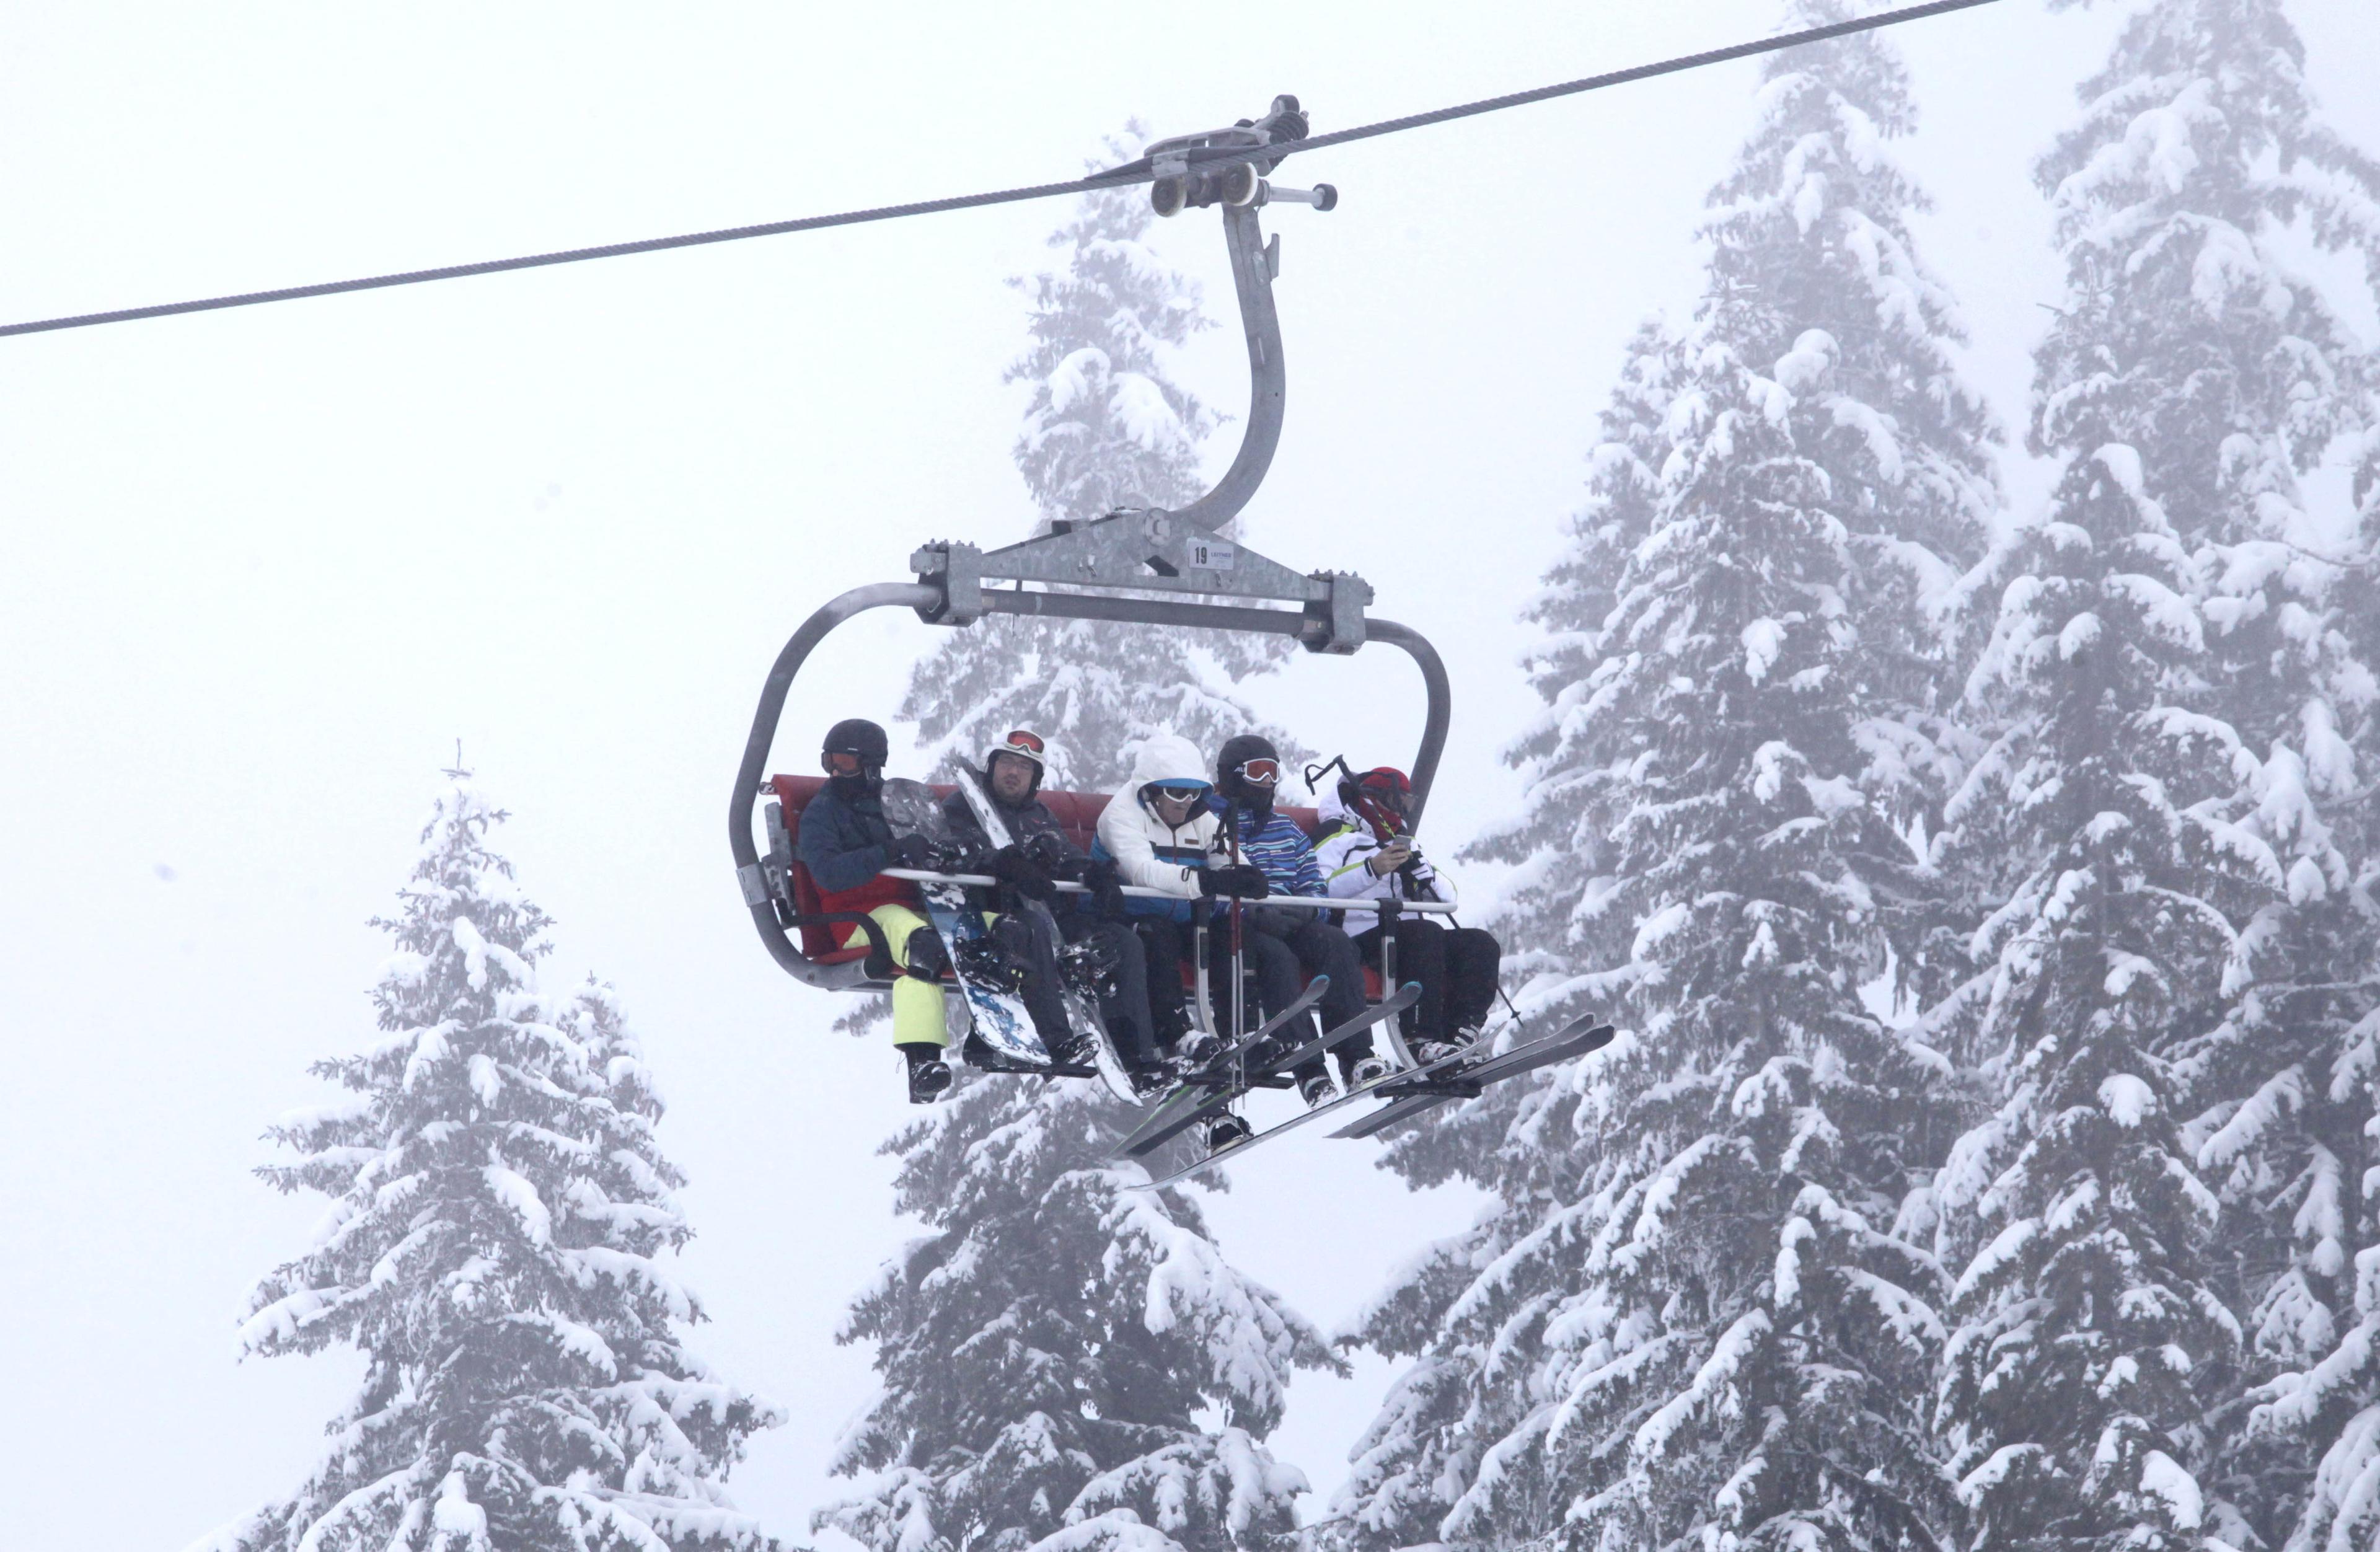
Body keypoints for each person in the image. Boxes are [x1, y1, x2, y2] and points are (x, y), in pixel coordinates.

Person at [940, 728, 1161, 1085]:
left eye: (1024, 768)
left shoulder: (1038, 815)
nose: (1014, 773)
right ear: (992, 766)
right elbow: (954, 852)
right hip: (990, 913)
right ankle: (1055, 1039)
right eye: (1007, 763)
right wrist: (1001, 863)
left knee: (1122, 941)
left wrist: (1094, 873)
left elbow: (1064, 854)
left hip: (1048, 914)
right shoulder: (963, 805)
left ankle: (1135, 1052)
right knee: (1032, 930)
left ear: (1035, 779)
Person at [1208, 733, 1391, 1108]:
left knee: (1338, 944)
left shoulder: (1287, 830)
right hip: (1244, 926)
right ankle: (1309, 1068)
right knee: (1278, 958)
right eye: (1258, 773)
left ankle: (1356, 1056)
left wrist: (1309, 909)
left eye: (1273, 773)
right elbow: (1205, 889)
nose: (1267, 784)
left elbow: (1315, 885)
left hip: (1293, 919)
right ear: (1233, 776)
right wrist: (1250, 912)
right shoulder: (1211, 828)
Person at [793, 718, 953, 1104]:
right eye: (829, 762)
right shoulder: (823, 813)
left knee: (990, 934)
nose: (835, 772)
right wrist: (891, 852)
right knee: (923, 947)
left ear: (871, 764)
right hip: (857, 919)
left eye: (844, 763)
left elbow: (936, 846)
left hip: (914, 909)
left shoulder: (896, 803)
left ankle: (994, 1038)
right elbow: (829, 874)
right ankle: (922, 1064)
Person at [1091, 733, 1269, 1067]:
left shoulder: (1199, 816)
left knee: (1231, 931)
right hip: (1127, 917)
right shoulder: (1122, 814)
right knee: (1157, 935)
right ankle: (1176, 1032)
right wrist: (1205, 881)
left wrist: (1243, 875)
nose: (1185, 801)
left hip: (1185, 918)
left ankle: (1240, 1029)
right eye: (1176, 792)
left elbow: (1228, 858)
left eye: (1194, 792)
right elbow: (1141, 871)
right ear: (1151, 790)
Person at [1316, 763, 1503, 1064]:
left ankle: (1460, 1031)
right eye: (1396, 802)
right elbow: (1319, 890)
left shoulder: (1405, 843)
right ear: (1372, 799)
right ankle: (1420, 1037)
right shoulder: (1337, 837)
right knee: (1424, 933)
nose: (1402, 811)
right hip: (1357, 938)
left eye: (1407, 803)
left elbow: (1448, 898)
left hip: (1411, 939)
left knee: (1479, 943)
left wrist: (1424, 874)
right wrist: (1372, 869)